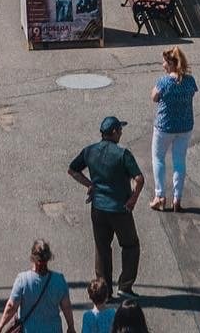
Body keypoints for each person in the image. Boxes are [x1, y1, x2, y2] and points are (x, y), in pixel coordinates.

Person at [67, 116, 145, 297]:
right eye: (120, 130)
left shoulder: (90, 151)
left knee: (102, 247)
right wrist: (133, 199)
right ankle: (125, 286)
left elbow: (72, 170)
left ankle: (104, 291)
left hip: (98, 209)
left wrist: (90, 185)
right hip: (120, 210)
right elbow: (139, 179)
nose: (122, 133)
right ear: (115, 133)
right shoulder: (122, 154)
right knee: (130, 246)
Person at [149, 45, 197, 212]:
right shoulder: (190, 81)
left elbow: (154, 97)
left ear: (170, 63)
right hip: (185, 126)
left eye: (164, 62)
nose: (162, 64)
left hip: (164, 127)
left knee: (159, 158)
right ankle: (177, 199)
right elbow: (192, 93)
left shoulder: (163, 82)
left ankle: (160, 196)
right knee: (179, 161)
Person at [0, 241, 74, 333]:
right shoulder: (59, 280)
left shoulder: (23, 280)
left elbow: (12, 306)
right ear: (48, 258)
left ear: (32, 258)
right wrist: (71, 327)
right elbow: (66, 307)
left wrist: (1, 324)